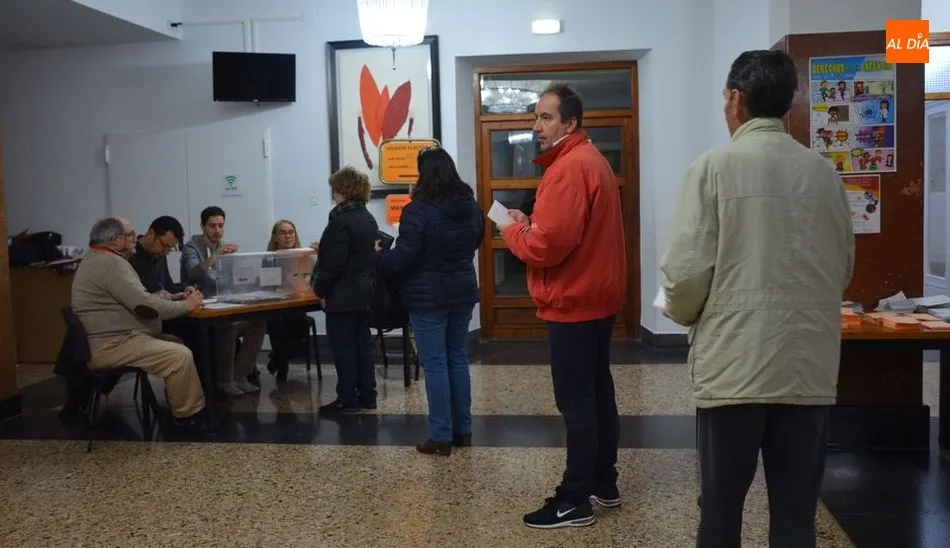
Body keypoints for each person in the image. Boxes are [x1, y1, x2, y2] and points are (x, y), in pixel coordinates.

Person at [659, 50, 854, 548]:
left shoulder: (712, 169)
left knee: (721, 511)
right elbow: (843, 269)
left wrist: (681, 313)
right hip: (807, 368)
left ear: (736, 100)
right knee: (794, 514)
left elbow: (684, 275)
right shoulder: (823, 173)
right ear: (786, 106)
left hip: (733, 370)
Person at [500, 84, 627, 529]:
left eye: (546, 117)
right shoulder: (592, 161)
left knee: (577, 403)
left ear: (570, 123)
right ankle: (603, 482)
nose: (537, 126)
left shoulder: (569, 167)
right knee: (597, 395)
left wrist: (513, 232)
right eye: (536, 117)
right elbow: (568, 231)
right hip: (596, 297)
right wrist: (531, 222)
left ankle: (574, 500)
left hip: (574, 300)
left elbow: (548, 247)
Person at [377, 147, 483, 457]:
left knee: (435, 362)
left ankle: (440, 435)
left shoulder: (418, 210)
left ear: (424, 175)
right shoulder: (471, 207)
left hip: (428, 296)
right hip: (462, 290)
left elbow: (404, 258)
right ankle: (463, 430)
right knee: (457, 358)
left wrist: (380, 256)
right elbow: (475, 242)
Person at [71, 217, 206, 432]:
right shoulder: (112, 264)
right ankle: (186, 417)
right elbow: (146, 307)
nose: (135, 238)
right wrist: (187, 305)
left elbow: (138, 299)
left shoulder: (98, 258)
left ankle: (188, 406)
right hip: (113, 344)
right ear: (115, 240)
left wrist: (169, 297)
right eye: (130, 235)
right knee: (179, 355)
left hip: (117, 337)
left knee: (178, 342)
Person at [180, 206, 266, 396]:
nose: (217, 231)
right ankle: (224, 381)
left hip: (223, 303)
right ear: (203, 226)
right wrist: (216, 258)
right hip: (200, 307)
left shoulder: (223, 246)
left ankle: (240, 375)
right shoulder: (191, 247)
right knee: (228, 325)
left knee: (258, 322)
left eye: (221, 226)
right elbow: (192, 272)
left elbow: (231, 280)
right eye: (212, 226)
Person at [314, 167, 379, 413]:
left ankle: (347, 398)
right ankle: (367, 395)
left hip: (342, 295)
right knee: (362, 345)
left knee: (343, 347)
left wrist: (321, 290)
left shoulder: (340, 221)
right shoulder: (367, 218)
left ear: (342, 189)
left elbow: (333, 263)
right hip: (364, 292)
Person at [264, 219, 315, 382]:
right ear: (275, 237)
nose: (288, 236)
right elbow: (268, 287)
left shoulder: (303, 256)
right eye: (283, 233)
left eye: (291, 232)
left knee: (297, 321)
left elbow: (309, 281)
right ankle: (282, 360)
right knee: (276, 322)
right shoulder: (269, 258)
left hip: (296, 303)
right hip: (275, 306)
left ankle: (278, 357)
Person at [129, 215, 194, 298]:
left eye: (170, 248)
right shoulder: (131, 255)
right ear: (151, 233)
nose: (165, 252)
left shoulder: (160, 253)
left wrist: (184, 289)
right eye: (164, 245)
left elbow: (168, 286)